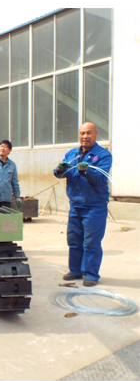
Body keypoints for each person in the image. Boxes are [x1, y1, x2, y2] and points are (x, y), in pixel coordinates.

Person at [54, 122, 112, 287]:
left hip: (94, 206)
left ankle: (91, 274)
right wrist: (59, 170)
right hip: (76, 205)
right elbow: (61, 173)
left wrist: (86, 170)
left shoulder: (103, 155)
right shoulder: (72, 153)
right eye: (82, 133)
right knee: (74, 239)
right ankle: (75, 270)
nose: (85, 136)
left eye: (88, 133)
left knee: (91, 242)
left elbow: (99, 178)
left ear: (96, 134)